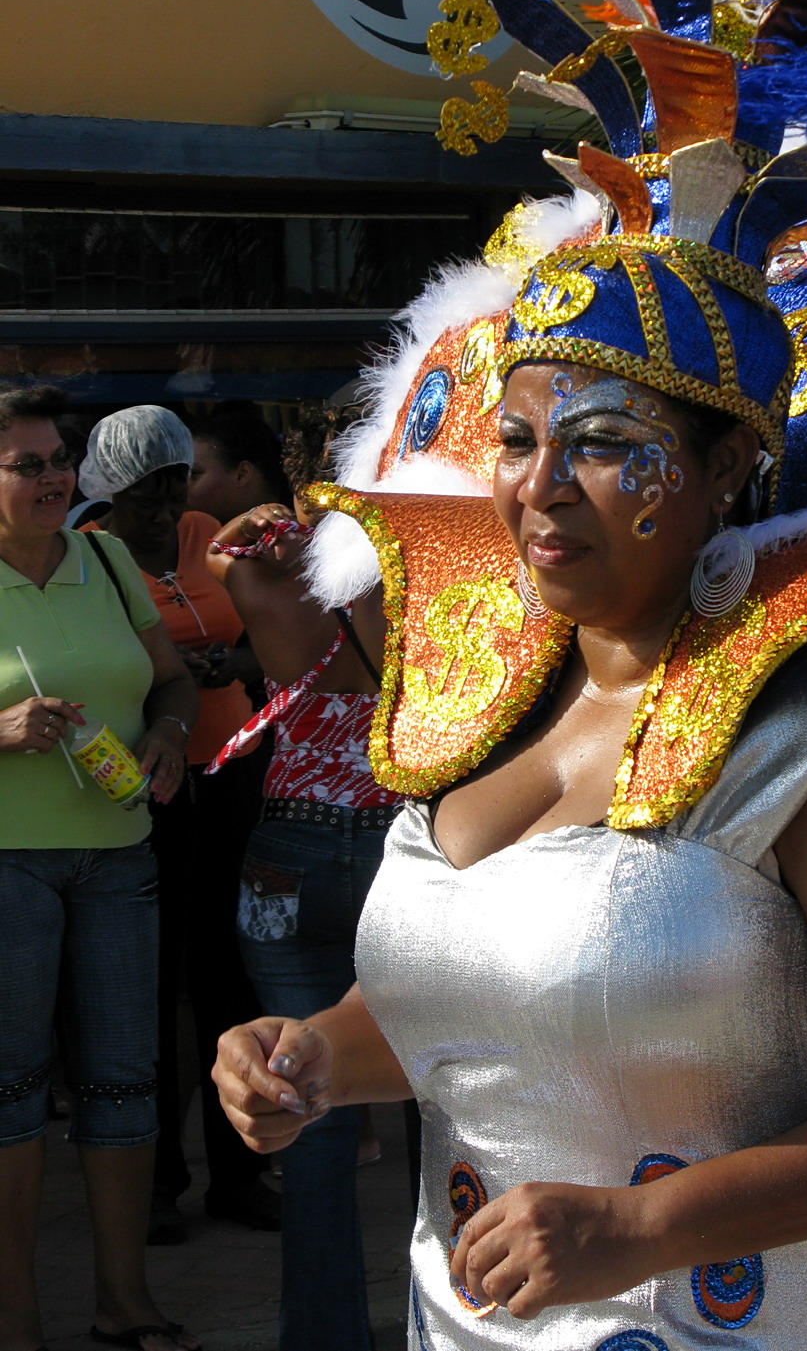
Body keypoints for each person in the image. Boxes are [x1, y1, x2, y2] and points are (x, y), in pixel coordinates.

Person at [212, 204, 807, 1347]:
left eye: (603, 441)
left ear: (725, 467)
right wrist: (308, 1057)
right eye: (515, 439)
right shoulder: (475, 709)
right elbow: (472, 1011)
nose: (541, 484)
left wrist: (649, 1224)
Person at [205, 412, 412, 1351]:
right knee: (436, 1100)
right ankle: (442, 1323)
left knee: (302, 1114)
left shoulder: (250, 567)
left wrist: (258, 527)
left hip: (283, 854)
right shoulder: (412, 578)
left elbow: (222, 557)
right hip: (395, 848)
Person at [0, 382, 199, 1351]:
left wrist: (166, 733)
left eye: (58, 461)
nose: (51, 478)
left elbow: (175, 676)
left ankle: (125, 1302)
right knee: (12, 1091)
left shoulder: (109, 556)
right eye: (26, 463)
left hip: (121, 856)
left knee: (125, 1080)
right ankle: (16, 1315)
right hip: (7, 868)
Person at [78, 406, 278, 1240]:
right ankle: (157, 1182)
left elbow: (274, 629)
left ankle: (239, 1173)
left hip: (232, 769)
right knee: (154, 983)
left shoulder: (208, 533)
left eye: (174, 486)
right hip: (148, 783)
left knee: (229, 968)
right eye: (147, 493)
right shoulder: (89, 549)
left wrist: (239, 662)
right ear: (110, 489)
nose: (166, 509)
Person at [189, 407, 291, 528]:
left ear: (242, 474)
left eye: (194, 474)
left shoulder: (295, 536)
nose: (181, 486)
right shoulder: (184, 533)